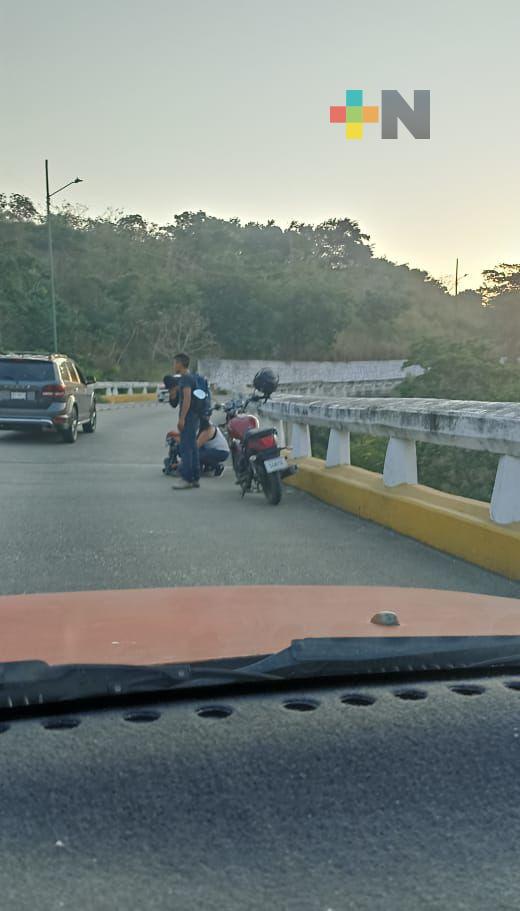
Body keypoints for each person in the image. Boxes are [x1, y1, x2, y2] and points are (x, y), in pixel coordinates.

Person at [171, 353, 200, 490]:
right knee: (193, 448)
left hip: (188, 417)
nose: (173, 365)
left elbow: (187, 399)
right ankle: (195, 477)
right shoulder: (190, 377)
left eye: (175, 363)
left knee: (186, 448)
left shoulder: (186, 379)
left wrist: (182, 418)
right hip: (194, 416)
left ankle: (186, 478)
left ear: (180, 364)